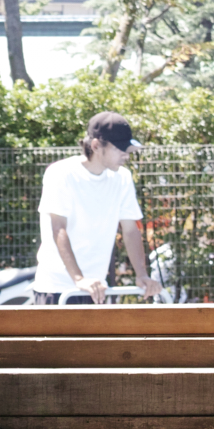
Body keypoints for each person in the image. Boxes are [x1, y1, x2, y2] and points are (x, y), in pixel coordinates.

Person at [31, 111, 161, 304]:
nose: (126, 155)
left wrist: (142, 274)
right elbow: (58, 228)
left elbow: (130, 230)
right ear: (96, 146)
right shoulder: (61, 173)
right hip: (56, 289)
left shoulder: (122, 178)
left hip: (96, 289)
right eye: (119, 149)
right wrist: (79, 279)